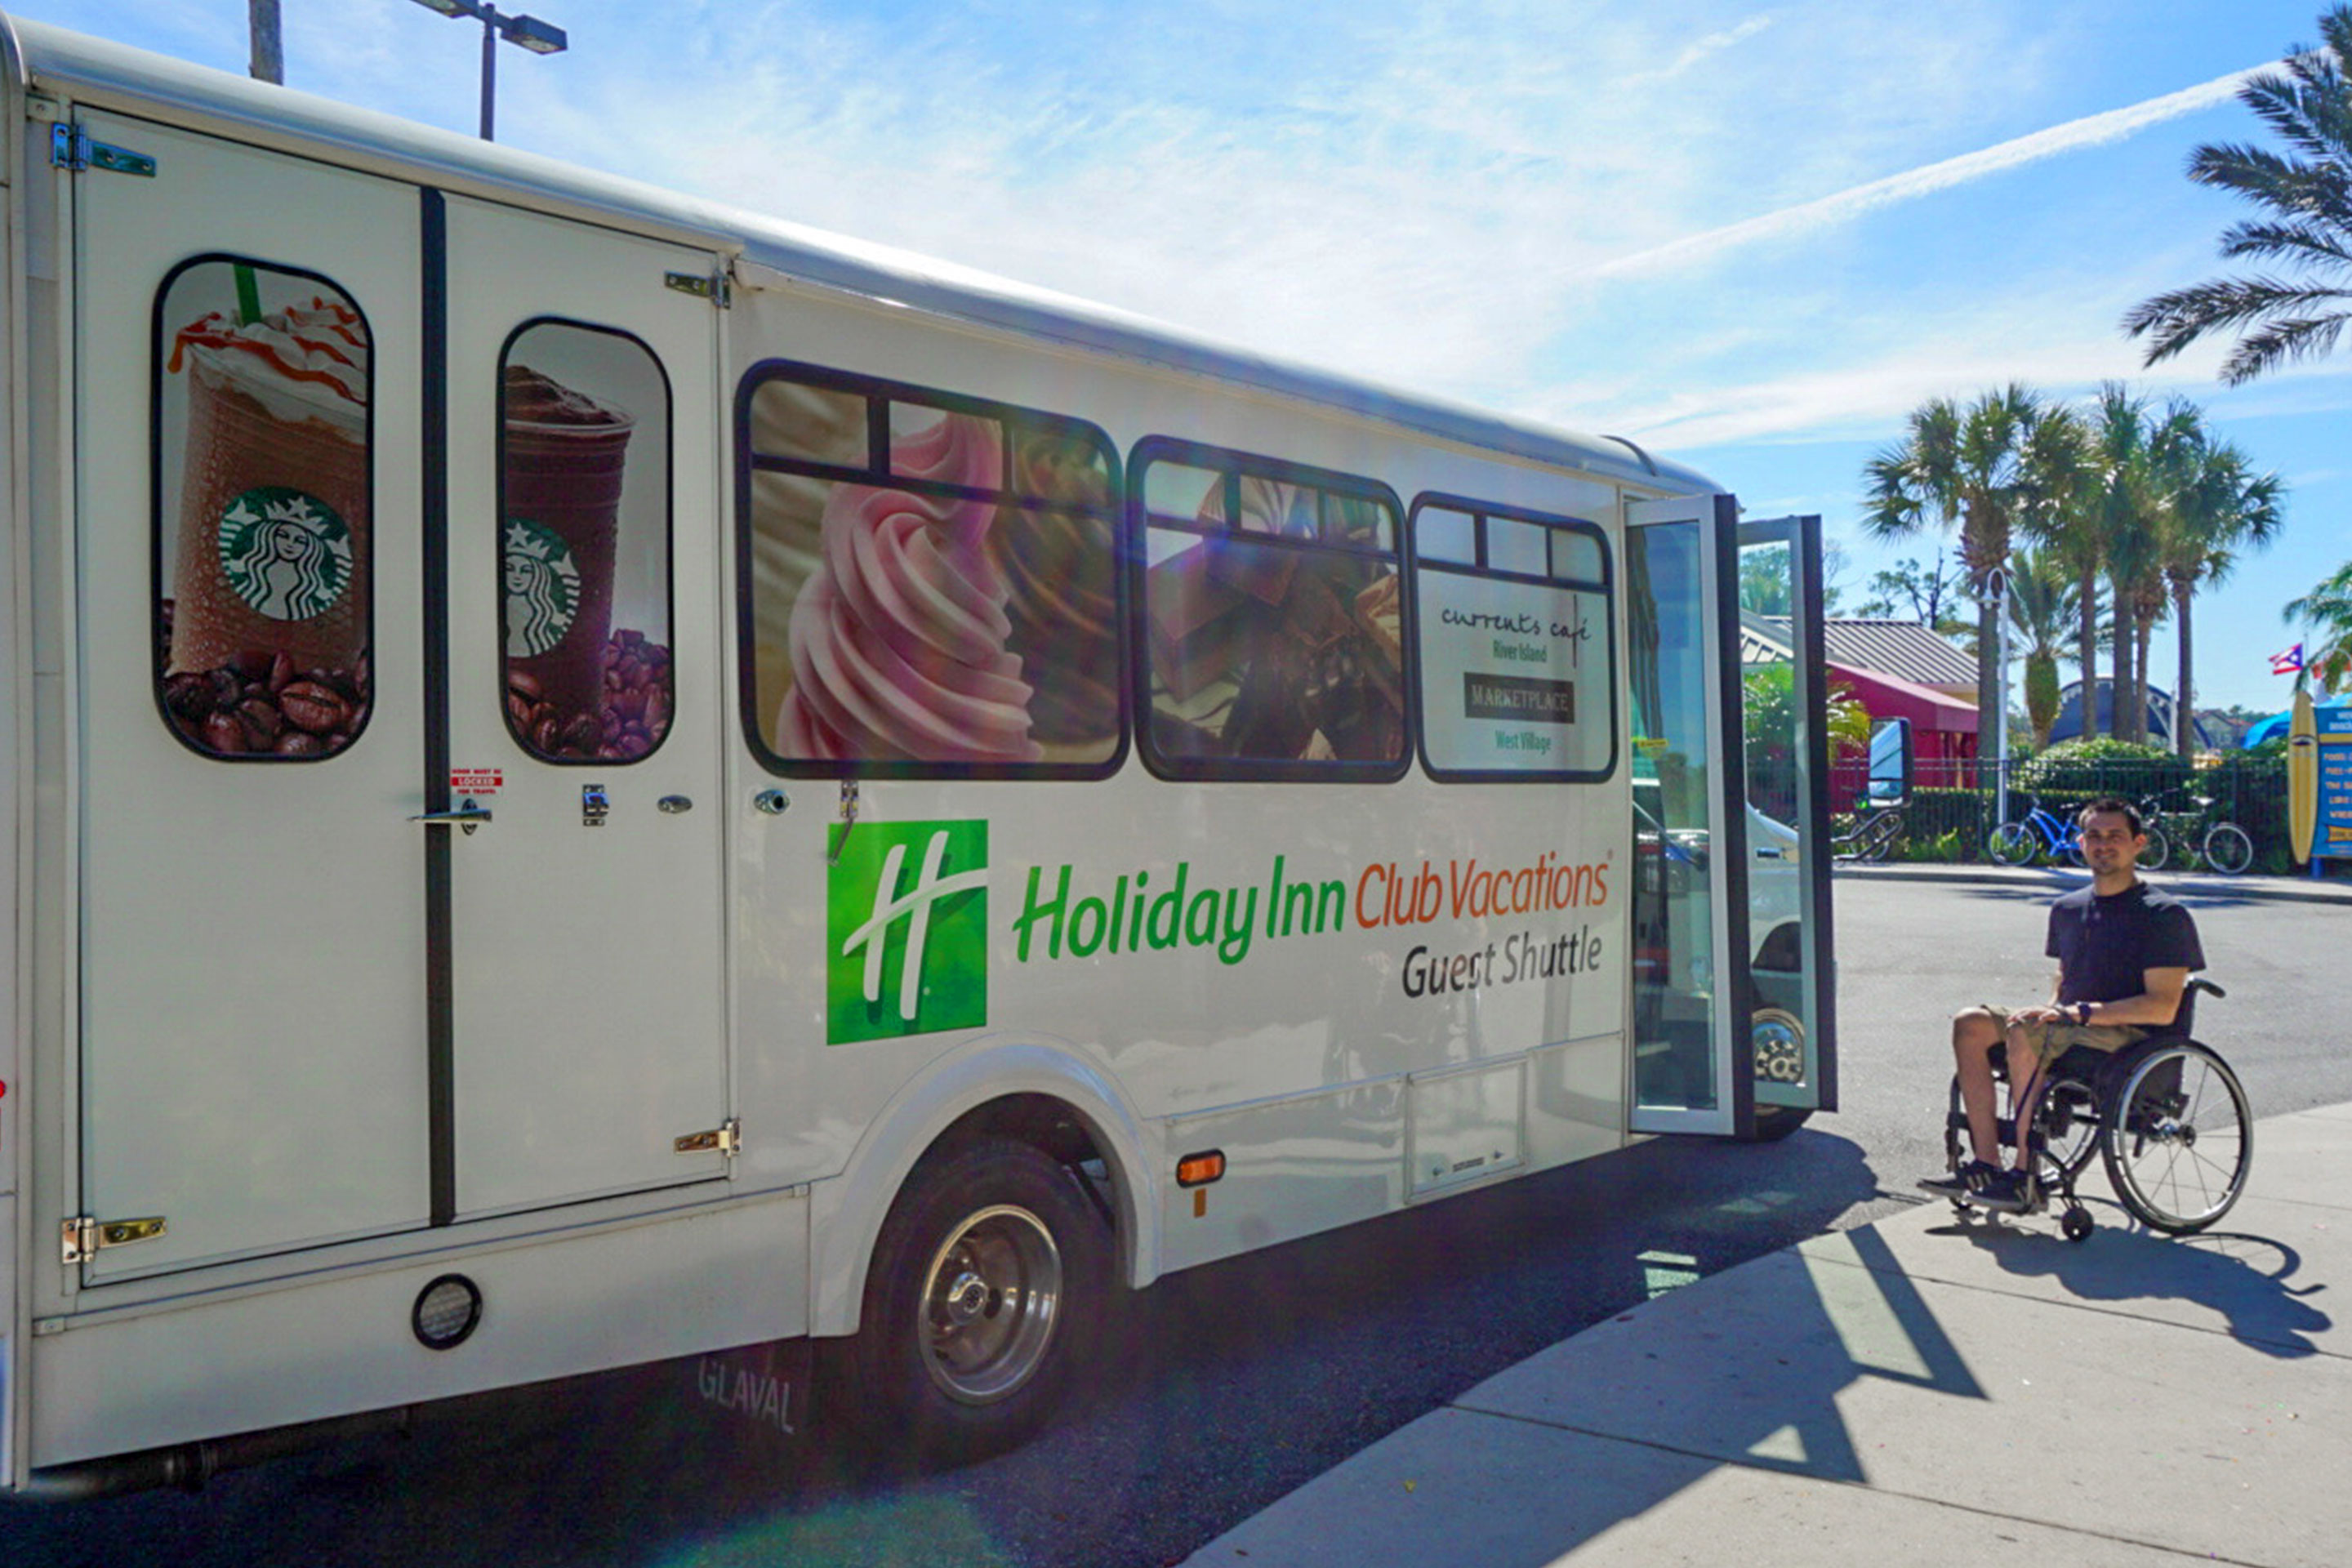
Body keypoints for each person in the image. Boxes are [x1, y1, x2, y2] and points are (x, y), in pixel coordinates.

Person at [1921, 797, 2205, 1211]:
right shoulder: (2068, 909)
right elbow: (2065, 978)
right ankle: (1986, 1164)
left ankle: (2025, 1178)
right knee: (1971, 1023)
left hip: (2126, 1036)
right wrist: (2053, 1009)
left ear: (2138, 843)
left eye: (2115, 836)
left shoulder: (2163, 914)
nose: (2103, 845)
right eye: (2094, 836)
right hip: (2070, 1024)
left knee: (2026, 1033)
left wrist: (2077, 1014)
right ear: (2081, 842)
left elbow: (2161, 1007)